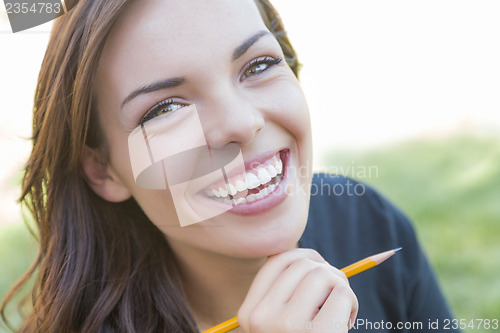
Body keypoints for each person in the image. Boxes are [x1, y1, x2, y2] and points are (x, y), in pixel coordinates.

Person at [1, 0, 459, 332]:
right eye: (163, 109)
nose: (240, 124)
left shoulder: (366, 221)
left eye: (258, 64)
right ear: (104, 171)